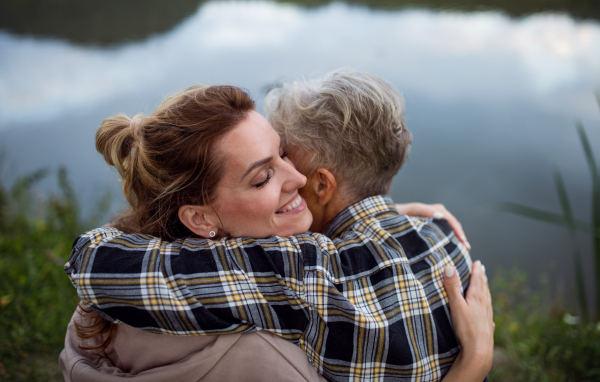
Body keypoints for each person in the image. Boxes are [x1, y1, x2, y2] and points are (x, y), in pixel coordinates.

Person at [63, 72, 493, 381]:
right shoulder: (445, 238)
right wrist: (473, 367)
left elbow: (94, 264)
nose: (298, 179)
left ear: (324, 184)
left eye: (286, 155)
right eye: (265, 173)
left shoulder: (302, 269)